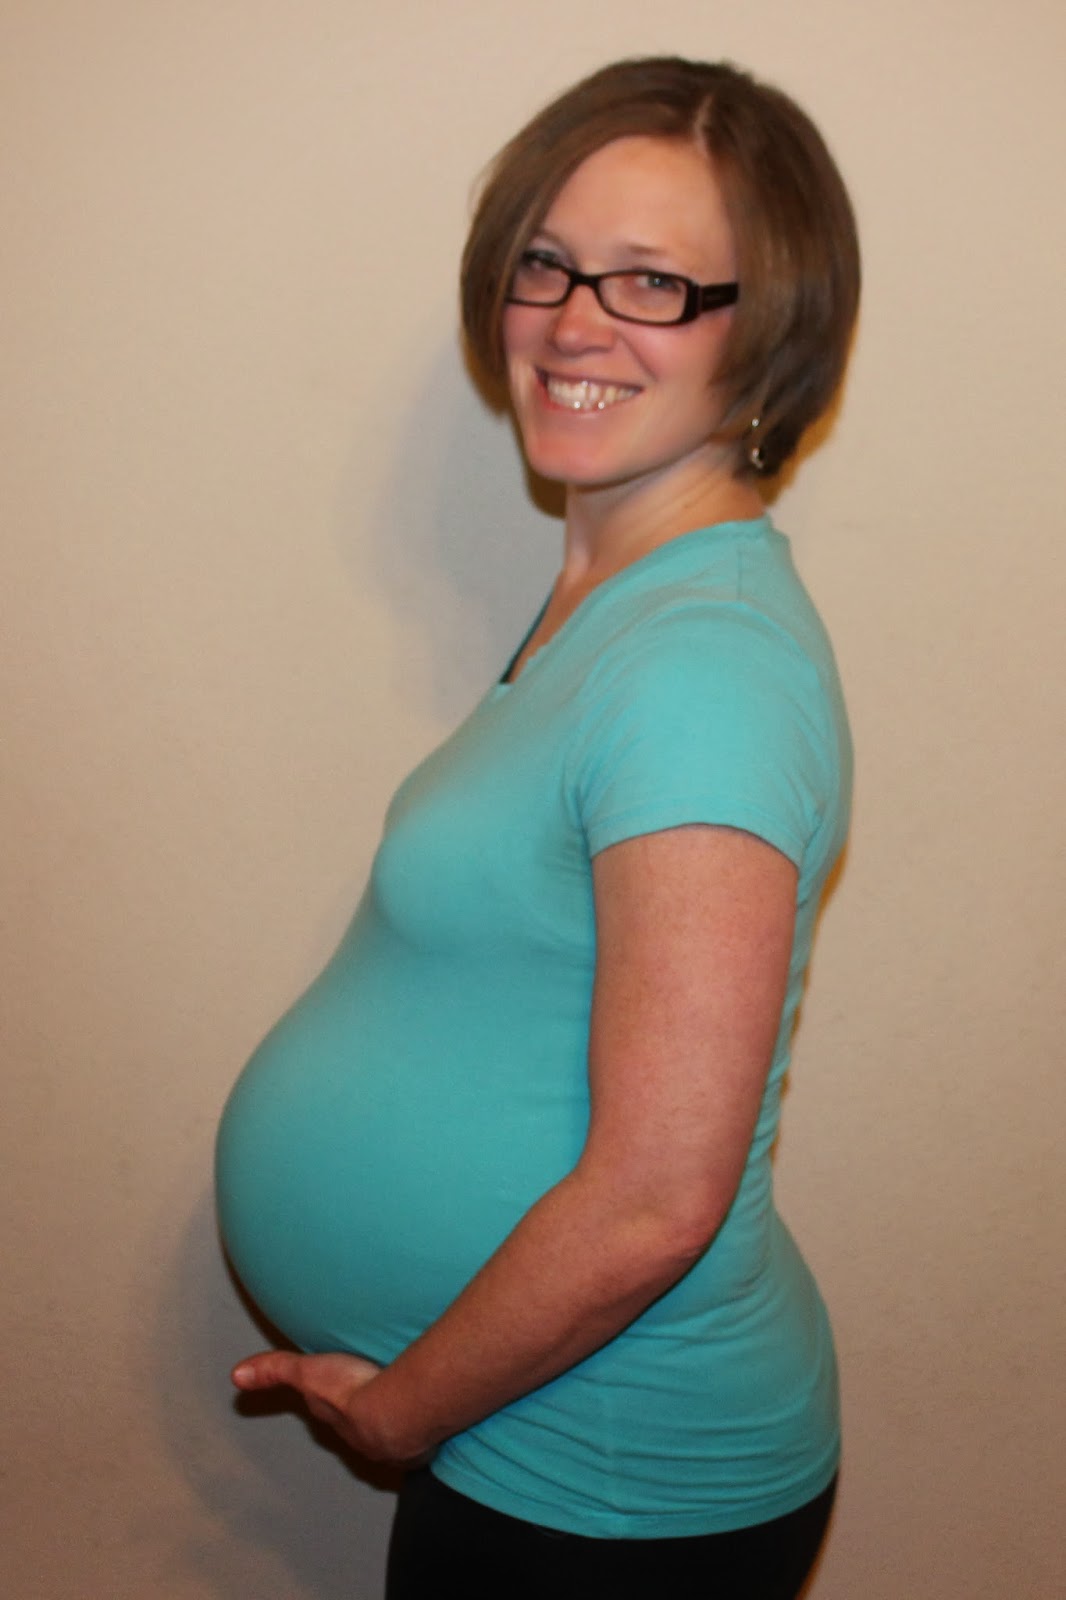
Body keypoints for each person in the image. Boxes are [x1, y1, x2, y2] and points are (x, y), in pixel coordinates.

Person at [215, 55, 860, 1600]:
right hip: (546, 1449)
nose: (573, 322)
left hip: (608, 1488)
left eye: (652, 282)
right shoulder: (617, 598)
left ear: (765, 332)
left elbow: (655, 1199)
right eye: (546, 264)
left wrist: (400, 1413)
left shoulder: (701, 671)